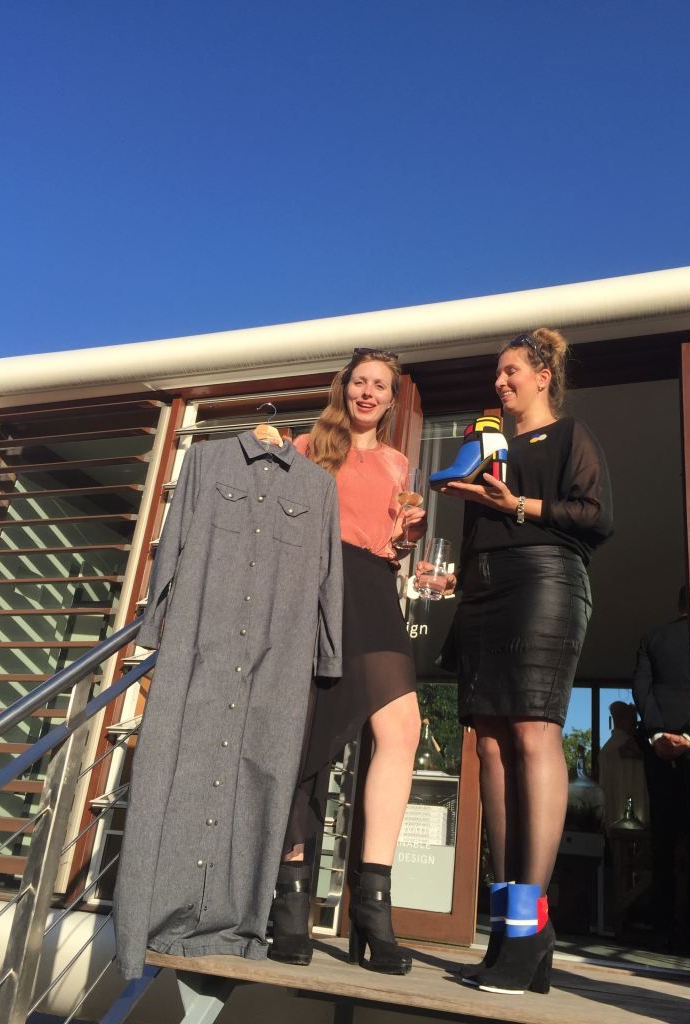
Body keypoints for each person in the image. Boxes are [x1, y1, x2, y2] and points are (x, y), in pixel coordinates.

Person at [428, 328, 613, 994]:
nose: (500, 382)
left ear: (543, 375)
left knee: (533, 734)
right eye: (497, 373)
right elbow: (482, 532)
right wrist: (450, 578)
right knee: (489, 748)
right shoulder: (488, 450)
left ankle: (531, 927)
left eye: (511, 371)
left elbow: (596, 516)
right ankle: (510, 930)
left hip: (546, 583)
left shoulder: (571, 436)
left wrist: (521, 506)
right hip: (484, 593)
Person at [269, 348, 426, 975]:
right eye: (360, 381)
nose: (368, 392)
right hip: (313, 584)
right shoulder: (308, 447)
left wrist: (409, 533)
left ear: (390, 400)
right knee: (306, 732)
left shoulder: (398, 462)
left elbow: (392, 542)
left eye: (379, 386)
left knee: (402, 727)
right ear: (345, 387)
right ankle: (290, 901)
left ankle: (373, 905)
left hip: (374, 586)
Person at [632, 587, 690, 951]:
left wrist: (657, 734)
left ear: (678, 605)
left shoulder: (653, 638)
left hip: (658, 754)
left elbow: (641, 687)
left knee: (663, 839)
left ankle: (662, 923)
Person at [598, 701, 648, 829]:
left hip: (613, 815)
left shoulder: (607, 750)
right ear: (620, 720)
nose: (635, 724)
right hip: (636, 817)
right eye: (632, 720)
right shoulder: (630, 746)